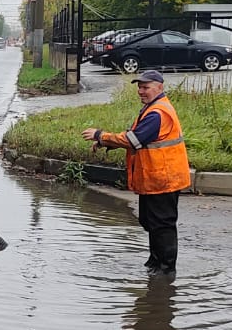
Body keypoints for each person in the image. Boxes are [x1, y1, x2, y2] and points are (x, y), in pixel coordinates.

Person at [81, 70, 191, 274]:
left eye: (146, 87)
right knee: (149, 220)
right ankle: (155, 261)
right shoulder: (152, 109)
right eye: (139, 87)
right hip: (155, 178)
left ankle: (166, 269)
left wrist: (101, 135)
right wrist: (107, 142)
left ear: (160, 87)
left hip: (163, 178)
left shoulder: (158, 113)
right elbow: (138, 138)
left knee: (162, 224)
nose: (141, 91)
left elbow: (134, 140)